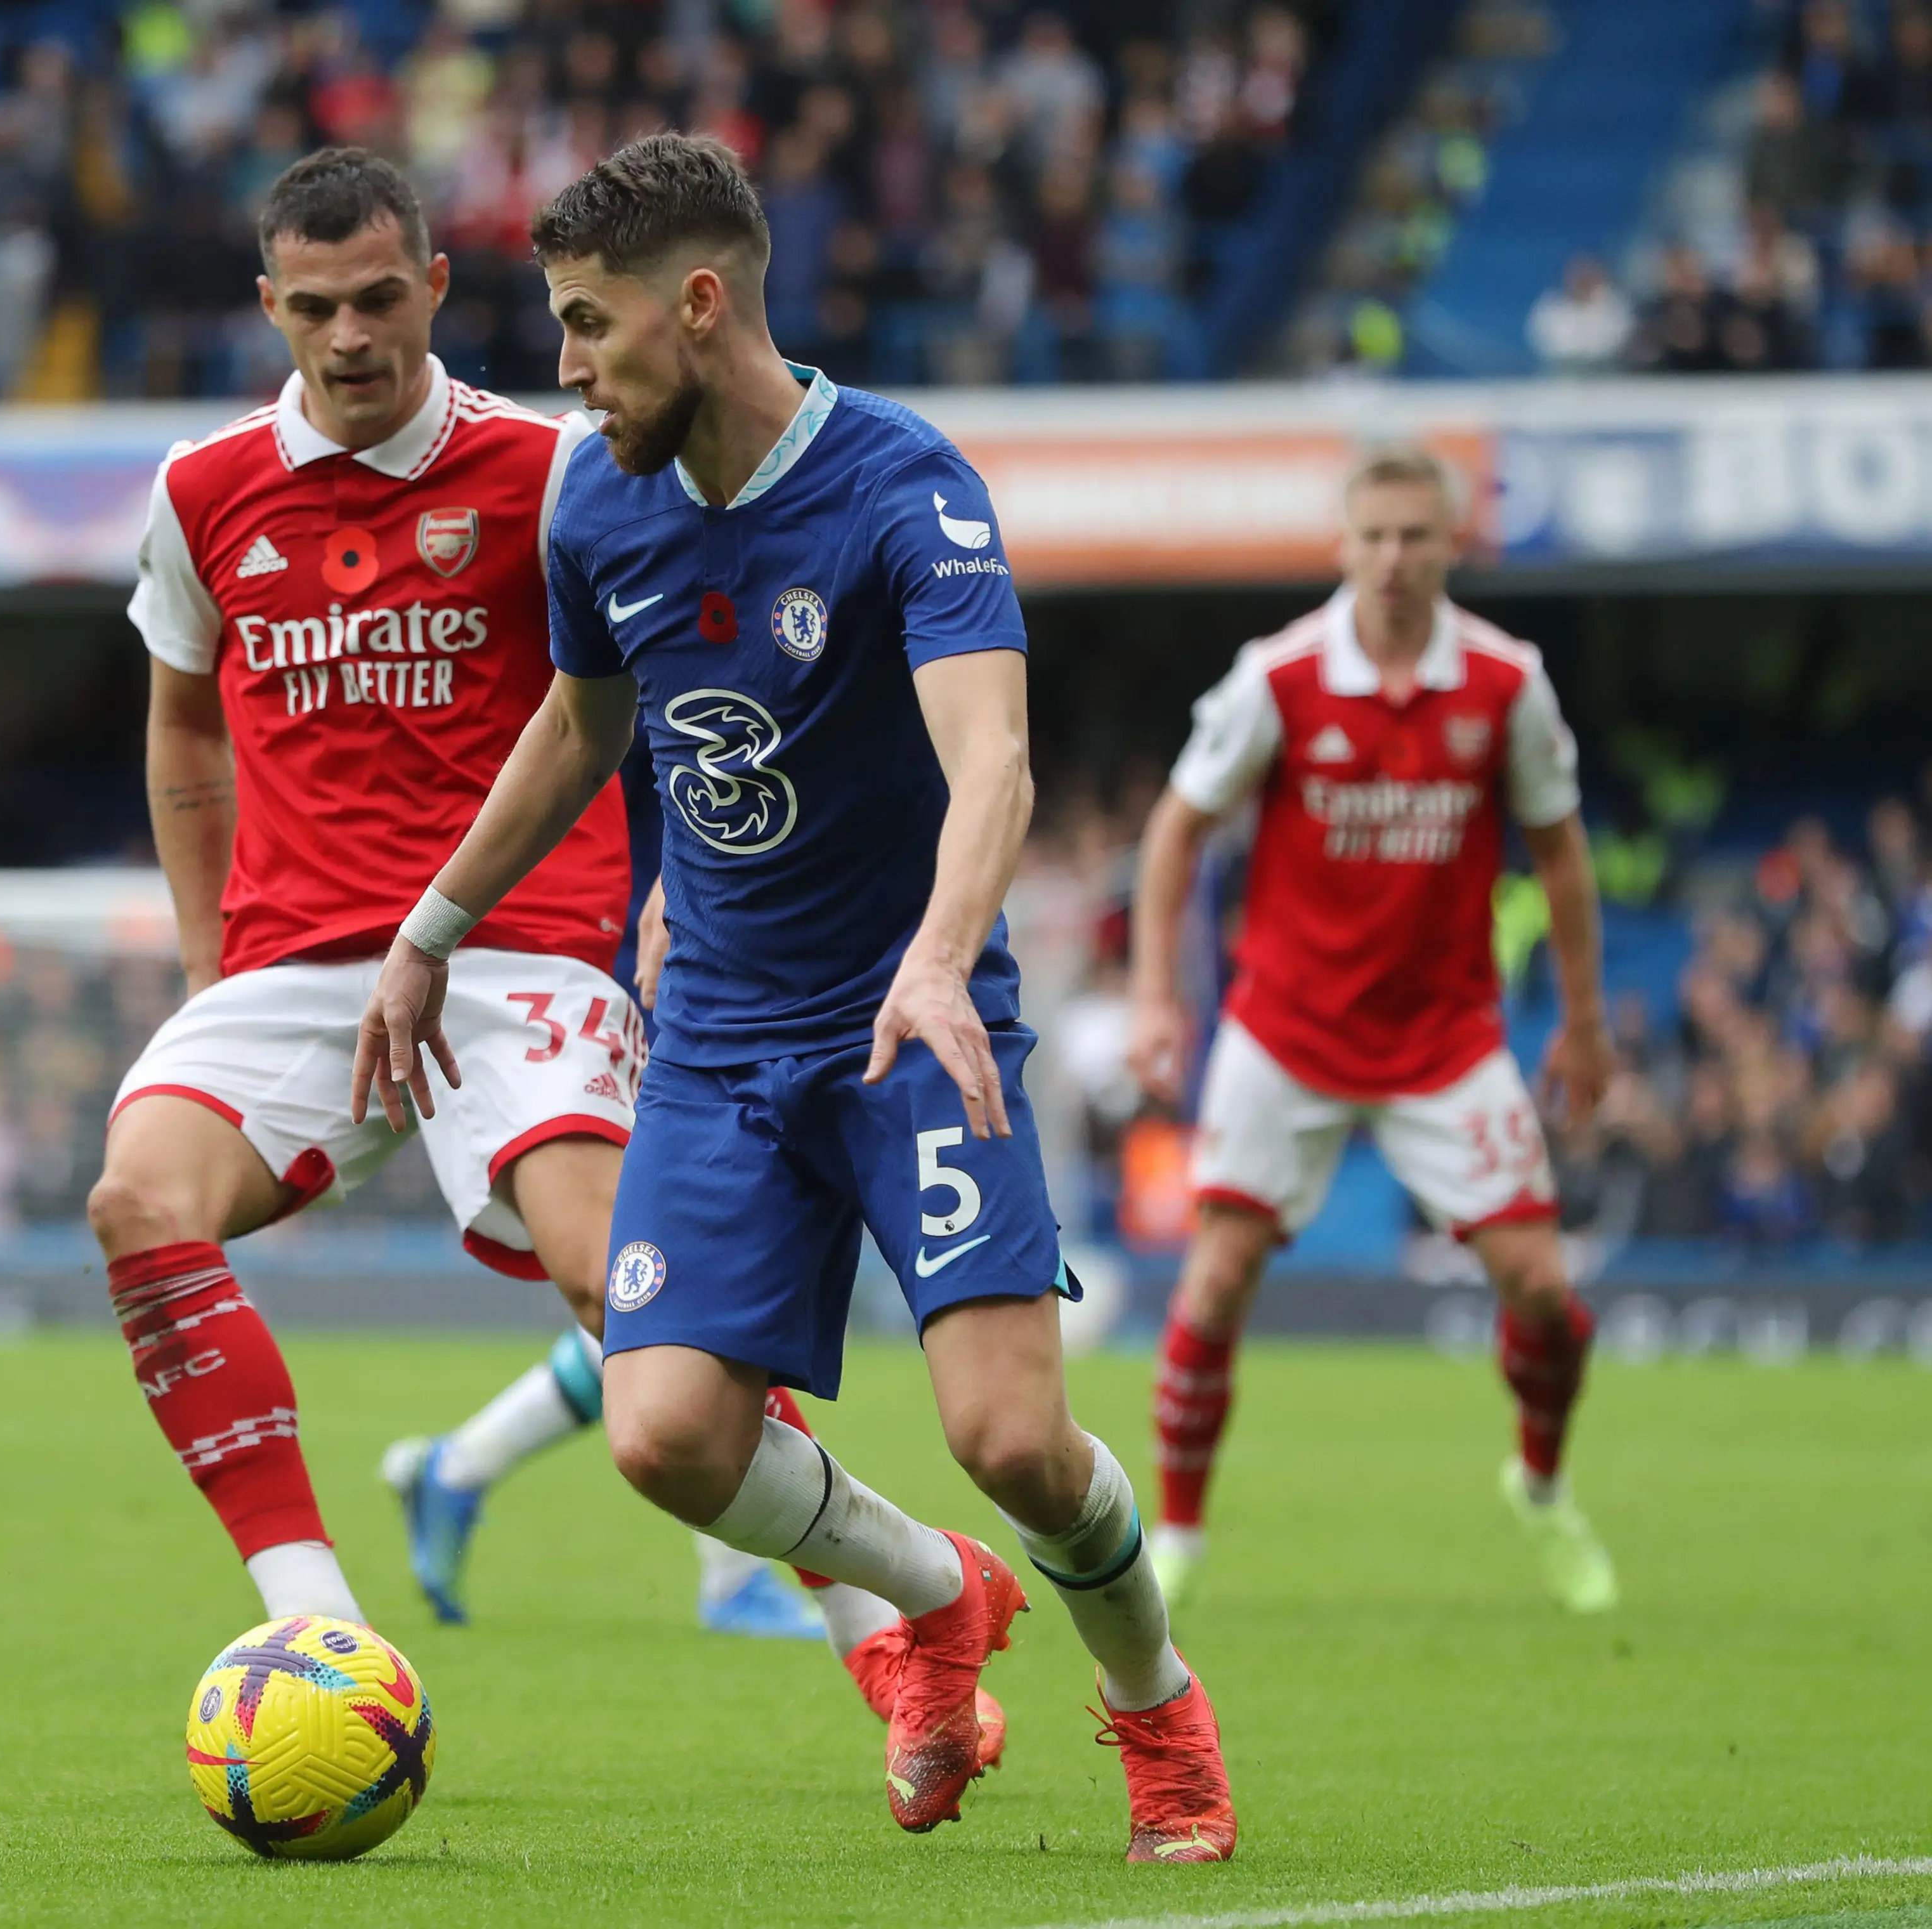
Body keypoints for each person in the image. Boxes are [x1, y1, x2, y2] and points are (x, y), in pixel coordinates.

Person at [355, 133, 1232, 1858]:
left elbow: (995, 764)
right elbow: (582, 726)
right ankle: (935, 1598)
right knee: (664, 1434)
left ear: (700, 305)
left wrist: (938, 954)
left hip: (915, 1017)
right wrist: (433, 923)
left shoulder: (907, 487)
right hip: (719, 1035)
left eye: (590, 323)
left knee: (1016, 1439)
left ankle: (1159, 1713)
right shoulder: (594, 499)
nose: (566, 366)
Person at [92, 147, 916, 1699]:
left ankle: (885, 1619)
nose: (350, 336)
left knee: (626, 1289)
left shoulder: (552, 471)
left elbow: (675, 689)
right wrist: (209, 963)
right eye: (315, 308)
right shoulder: (201, 490)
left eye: (378, 298)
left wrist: (679, 885)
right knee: (138, 1198)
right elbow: (184, 724)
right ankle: (317, 1628)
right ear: (269, 305)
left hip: (519, 948)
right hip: (297, 963)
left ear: (435, 286)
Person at [1126, 448, 1621, 1616]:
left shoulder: (1506, 683)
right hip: (1286, 1030)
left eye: (1416, 535)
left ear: (1453, 544)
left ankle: (1541, 1486)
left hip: (1445, 1038)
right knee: (1214, 1284)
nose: (1394, 558)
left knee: (1545, 1294)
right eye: (1375, 536)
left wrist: (1586, 1023)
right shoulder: (1280, 677)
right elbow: (1175, 831)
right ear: (1344, 547)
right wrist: (1154, 995)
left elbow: (1560, 852)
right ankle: (1178, 1535)